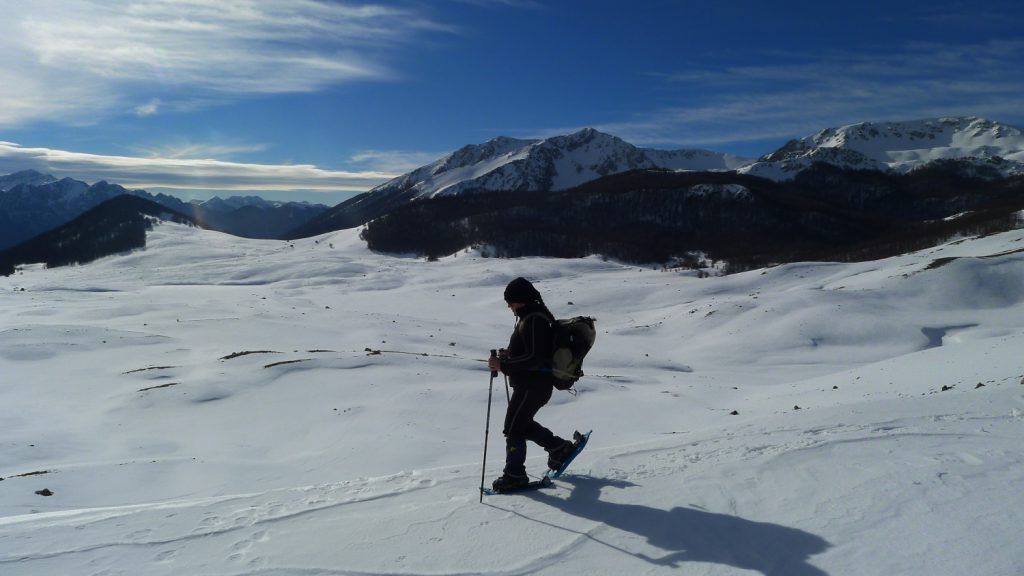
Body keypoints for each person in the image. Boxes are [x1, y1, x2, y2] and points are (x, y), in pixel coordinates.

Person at [487, 277, 577, 492]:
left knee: (514, 428)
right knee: (519, 425)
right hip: (533, 385)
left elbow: (535, 359)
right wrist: (509, 356)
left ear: (521, 299)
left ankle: (514, 475)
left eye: (511, 302)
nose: (510, 307)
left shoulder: (534, 320)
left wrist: (503, 364)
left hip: (532, 385)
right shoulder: (532, 317)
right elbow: (533, 353)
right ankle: (558, 448)